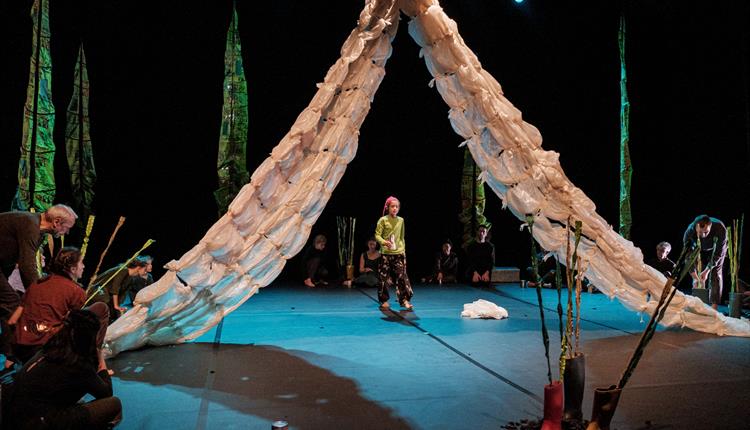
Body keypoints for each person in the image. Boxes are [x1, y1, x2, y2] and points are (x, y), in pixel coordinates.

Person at [4, 309, 122, 429]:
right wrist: (100, 357)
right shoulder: (76, 363)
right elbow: (106, 392)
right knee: (114, 404)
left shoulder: (47, 349)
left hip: (12, 414)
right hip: (38, 422)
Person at [0, 204, 77, 374]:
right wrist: (41, 296)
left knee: (10, 307)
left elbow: (17, 260)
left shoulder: (37, 229)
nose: (67, 232)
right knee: (13, 306)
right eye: (67, 228)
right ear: (57, 222)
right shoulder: (30, 225)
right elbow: (27, 266)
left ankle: (12, 358)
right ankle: (24, 359)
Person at [14, 247, 110, 365]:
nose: (84, 266)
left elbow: (12, 320)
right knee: (101, 308)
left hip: (21, 348)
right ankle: (94, 361)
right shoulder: (76, 291)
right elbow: (77, 325)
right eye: (81, 262)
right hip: (47, 349)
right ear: (73, 268)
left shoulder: (37, 283)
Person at [375, 196, 414, 310]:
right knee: (383, 278)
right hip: (386, 254)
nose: (395, 208)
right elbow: (377, 235)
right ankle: (384, 300)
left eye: (397, 206)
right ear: (388, 207)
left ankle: (404, 299)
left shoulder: (401, 220)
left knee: (402, 276)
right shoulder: (383, 220)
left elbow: (402, 237)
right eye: (392, 206)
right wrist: (383, 242)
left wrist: (403, 251)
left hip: (398, 253)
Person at [683, 215, 728, 309]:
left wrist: (707, 270)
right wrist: (694, 276)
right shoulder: (689, 231)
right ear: (695, 227)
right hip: (698, 247)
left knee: (716, 272)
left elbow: (718, 254)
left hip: (716, 248)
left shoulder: (720, 228)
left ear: (710, 226)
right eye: (700, 232)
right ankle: (696, 305)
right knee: (696, 273)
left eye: (706, 232)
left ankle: (714, 307)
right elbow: (687, 255)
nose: (703, 235)